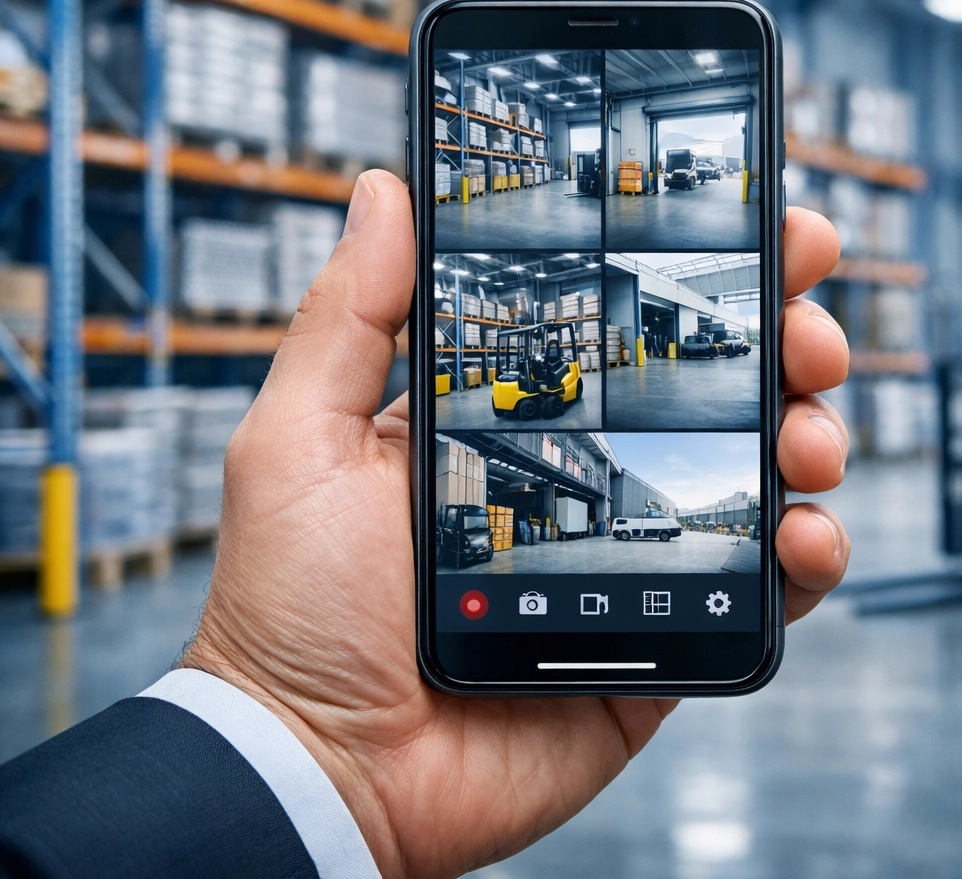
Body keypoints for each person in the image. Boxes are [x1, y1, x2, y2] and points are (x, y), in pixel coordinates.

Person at [0, 171, 853, 879]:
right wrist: (305, 728)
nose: (549, 341)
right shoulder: (527, 357)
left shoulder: (561, 356)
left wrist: (316, 750)